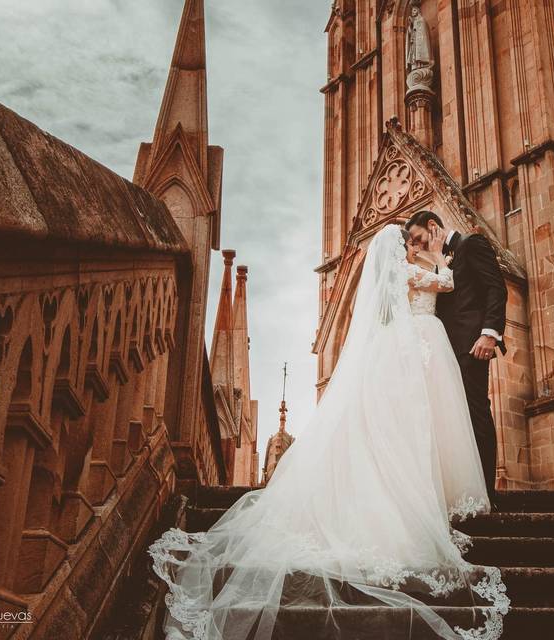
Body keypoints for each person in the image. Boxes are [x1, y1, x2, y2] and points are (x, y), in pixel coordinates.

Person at [148, 224, 509, 640]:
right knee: (409, 428)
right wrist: (439, 260)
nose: (415, 246)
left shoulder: (415, 267)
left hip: (426, 349)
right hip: (420, 348)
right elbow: (445, 283)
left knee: (418, 427)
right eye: (409, 243)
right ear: (399, 248)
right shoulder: (412, 271)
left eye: (417, 240)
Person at [405, 211, 508, 508]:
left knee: (476, 415)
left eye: (419, 239)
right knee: (455, 422)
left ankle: (486, 492)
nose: (418, 246)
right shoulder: (439, 258)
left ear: (433, 227)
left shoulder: (470, 244)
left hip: (471, 346)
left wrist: (489, 334)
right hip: (444, 354)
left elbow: (495, 288)